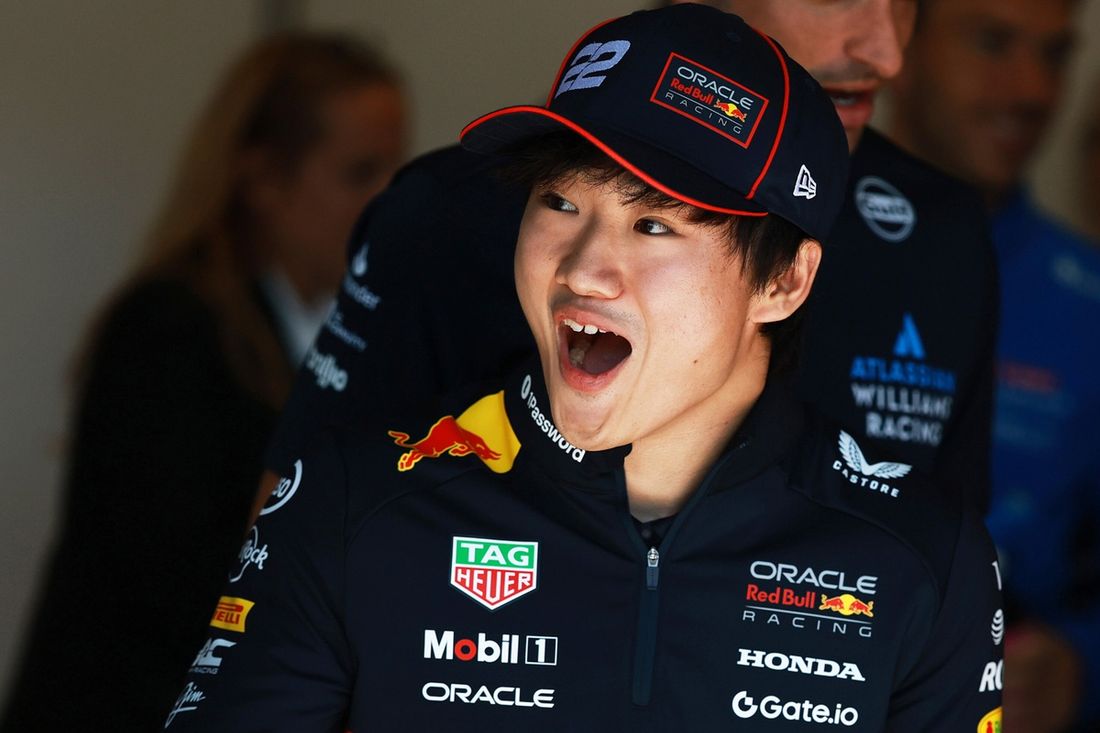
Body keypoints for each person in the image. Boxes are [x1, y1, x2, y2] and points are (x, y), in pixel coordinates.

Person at [166, 7, 1002, 730]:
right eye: (560, 203)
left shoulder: (925, 558)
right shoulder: (351, 503)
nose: (584, 269)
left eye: (655, 226)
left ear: (784, 279)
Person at [257, 0, 998, 526]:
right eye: (560, 204)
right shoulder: (445, 216)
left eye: (907, 1)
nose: (886, 50)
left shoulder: (943, 238)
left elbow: (950, 575)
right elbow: (292, 533)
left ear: (789, 279)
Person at [0, 33, 405, 733]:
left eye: (395, 171)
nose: (387, 201)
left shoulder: (353, 328)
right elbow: (176, 579)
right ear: (263, 180)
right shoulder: (167, 328)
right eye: (360, 172)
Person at [889, 0, 1100, 730]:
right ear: (900, 43)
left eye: (1055, 55)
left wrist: (1078, 666)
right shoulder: (789, 256)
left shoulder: (1087, 303)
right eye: (993, 42)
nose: (1033, 90)